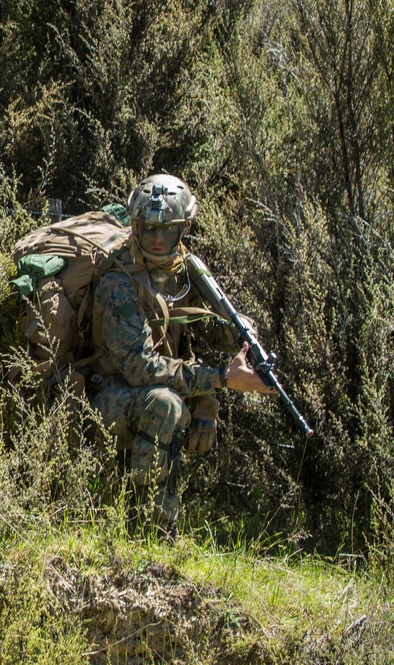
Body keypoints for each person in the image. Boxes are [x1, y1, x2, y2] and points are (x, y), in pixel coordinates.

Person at [90, 174, 272, 535]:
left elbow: (208, 326)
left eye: (168, 230)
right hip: (103, 394)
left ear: (184, 228)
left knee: (172, 400)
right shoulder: (119, 284)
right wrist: (219, 380)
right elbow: (140, 368)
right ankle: (151, 528)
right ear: (135, 227)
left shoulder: (183, 272)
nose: (158, 239)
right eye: (149, 229)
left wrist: (242, 332)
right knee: (166, 405)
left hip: (145, 386)